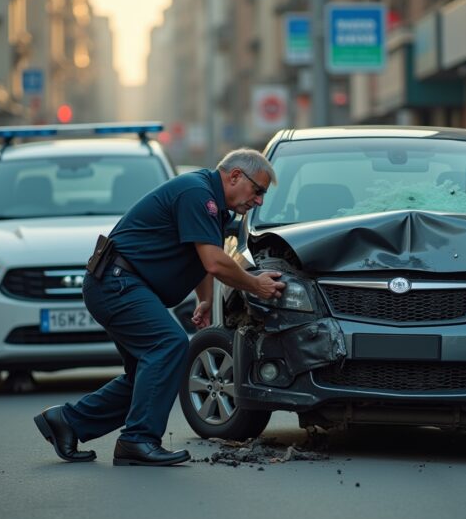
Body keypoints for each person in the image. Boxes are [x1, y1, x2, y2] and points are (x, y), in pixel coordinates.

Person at [34, 149, 285, 467]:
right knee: (169, 345)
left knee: (148, 373)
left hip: (121, 284)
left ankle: (66, 422)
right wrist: (256, 284)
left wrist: (204, 298)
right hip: (117, 283)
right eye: (258, 191)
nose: (259, 200)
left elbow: (201, 258)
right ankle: (138, 440)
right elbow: (214, 261)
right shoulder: (198, 194)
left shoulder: (215, 205)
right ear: (236, 176)